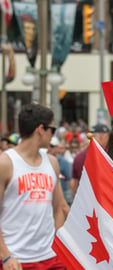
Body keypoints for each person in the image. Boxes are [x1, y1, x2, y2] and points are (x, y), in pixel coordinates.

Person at [0, 103, 69, 269]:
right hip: (15, 259)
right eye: (52, 129)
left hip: (50, 257)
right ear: (40, 129)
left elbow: (58, 208)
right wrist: (6, 255)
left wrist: (57, 244)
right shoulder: (6, 163)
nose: (52, 135)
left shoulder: (52, 163)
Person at [71, 124, 110, 196]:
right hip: (102, 200)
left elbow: (73, 183)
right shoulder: (107, 155)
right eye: (108, 136)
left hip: (83, 199)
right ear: (102, 135)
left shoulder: (78, 157)